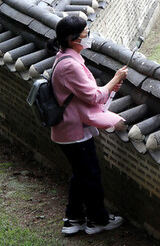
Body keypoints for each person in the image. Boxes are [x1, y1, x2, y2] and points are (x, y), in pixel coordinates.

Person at [49, 15, 128, 236]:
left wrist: (110, 87)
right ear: (74, 39)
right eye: (85, 32)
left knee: (81, 175)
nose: (88, 35)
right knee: (91, 175)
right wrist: (115, 79)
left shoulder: (64, 57)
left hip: (68, 130)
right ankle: (98, 220)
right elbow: (93, 96)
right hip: (73, 132)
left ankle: (73, 218)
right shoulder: (70, 66)